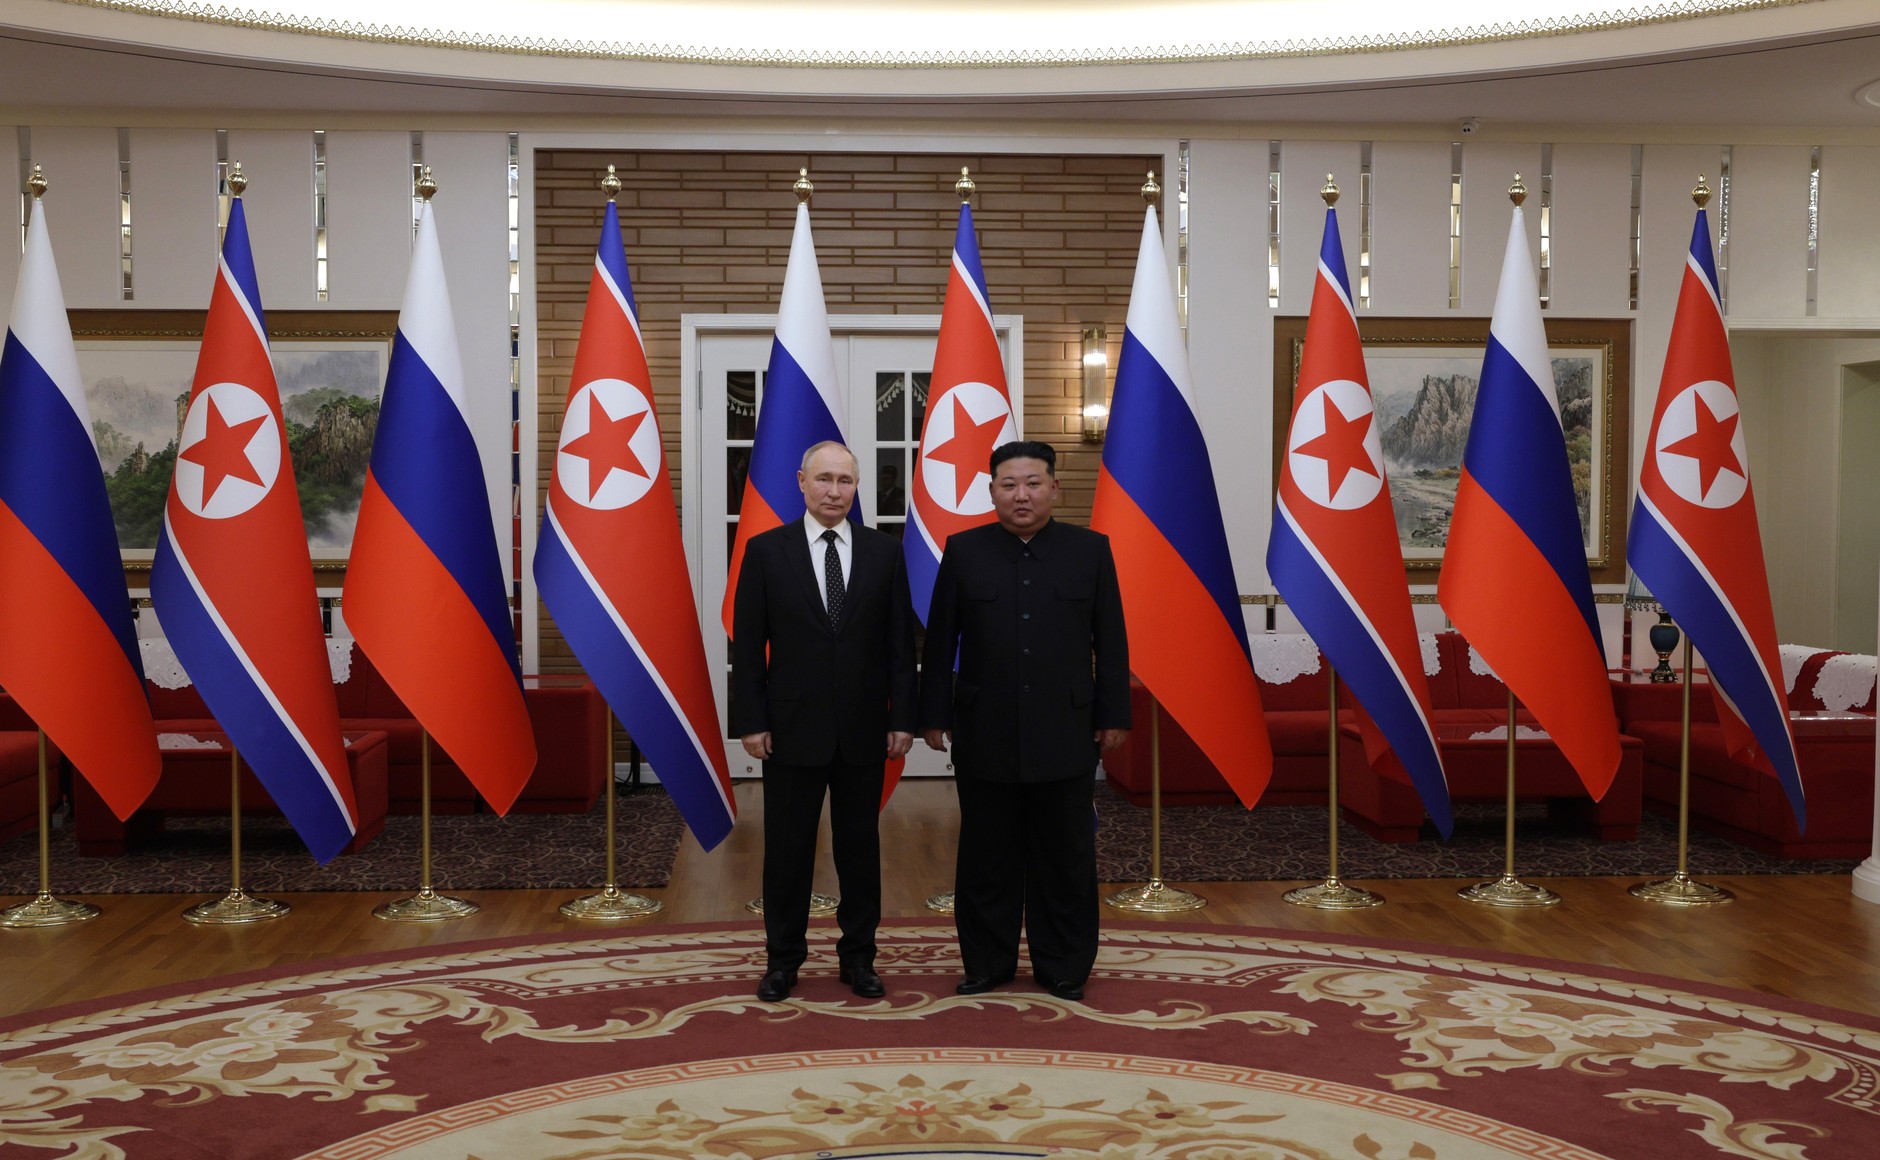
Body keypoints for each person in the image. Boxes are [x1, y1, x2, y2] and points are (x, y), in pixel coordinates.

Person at [918, 440, 1129, 1002]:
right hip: (983, 728)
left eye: (1033, 483)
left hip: (1067, 729)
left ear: (1055, 488)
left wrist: (1113, 713)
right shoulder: (964, 551)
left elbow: (1110, 640)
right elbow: (939, 641)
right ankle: (987, 963)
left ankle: (1064, 964)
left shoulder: (1091, 551)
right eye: (1008, 485)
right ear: (991, 493)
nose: (1022, 495)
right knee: (988, 855)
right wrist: (932, 713)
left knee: (1064, 854)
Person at [731, 440, 918, 1002]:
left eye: (846, 481)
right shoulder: (767, 552)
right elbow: (748, 645)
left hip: (865, 730)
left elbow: (898, 646)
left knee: (859, 850)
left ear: (856, 487)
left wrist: (902, 717)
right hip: (790, 731)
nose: (835, 491)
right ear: (802, 483)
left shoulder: (884, 553)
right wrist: (751, 721)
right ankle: (783, 960)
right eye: (825, 479)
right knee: (787, 852)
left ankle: (859, 959)